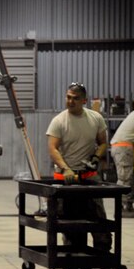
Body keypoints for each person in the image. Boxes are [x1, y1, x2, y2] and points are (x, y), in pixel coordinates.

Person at [47, 82, 111, 253]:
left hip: (89, 176)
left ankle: (103, 256)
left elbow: (103, 143)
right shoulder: (59, 121)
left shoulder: (95, 118)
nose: (70, 101)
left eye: (75, 98)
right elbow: (52, 148)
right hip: (66, 178)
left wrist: (97, 157)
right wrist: (65, 168)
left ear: (84, 100)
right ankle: (71, 256)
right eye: (68, 97)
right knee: (68, 220)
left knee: (98, 218)